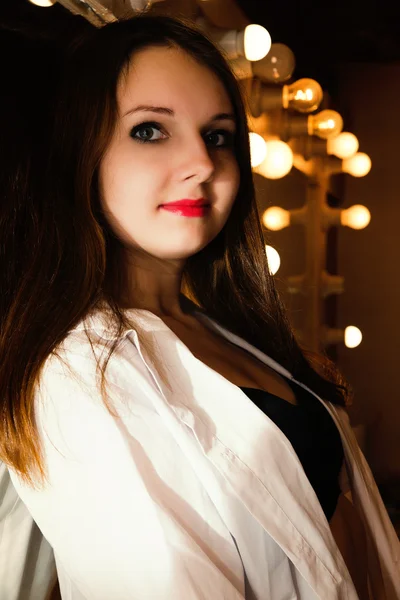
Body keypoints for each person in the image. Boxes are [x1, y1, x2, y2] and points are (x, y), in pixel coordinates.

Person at [0, 14, 398, 600]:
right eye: (150, 131)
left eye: (217, 136)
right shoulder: (81, 371)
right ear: (80, 153)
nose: (203, 164)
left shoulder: (226, 331)